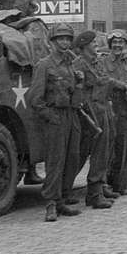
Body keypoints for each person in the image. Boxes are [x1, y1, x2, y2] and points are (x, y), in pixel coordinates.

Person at [31, 23, 83, 221]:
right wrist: (50, 117)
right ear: (52, 42)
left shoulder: (71, 64)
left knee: (72, 159)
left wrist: (78, 83)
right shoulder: (45, 65)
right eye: (60, 39)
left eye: (67, 39)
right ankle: (51, 203)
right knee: (55, 161)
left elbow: (76, 95)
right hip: (55, 116)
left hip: (71, 115)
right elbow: (35, 98)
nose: (64, 42)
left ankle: (62, 199)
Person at [71, 31, 114, 209]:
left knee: (101, 153)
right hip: (89, 112)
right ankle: (84, 193)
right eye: (93, 42)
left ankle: (95, 192)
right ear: (84, 46)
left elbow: (105, 81)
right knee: (83, 153)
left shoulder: (97, 62)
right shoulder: (78, 64)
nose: (96, 44)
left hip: (102, 109)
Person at [104, 30, 127, 195]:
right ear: (110, 45)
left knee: (124, 144)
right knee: (108, 145)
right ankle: (104, 183)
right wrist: (124, 86)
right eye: (114, 43)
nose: (117, 45)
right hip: (111, 106)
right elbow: (105, 81)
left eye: (120, 43)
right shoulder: (103, 62)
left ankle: (119, 183)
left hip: (126, 107)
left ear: (125, 45)